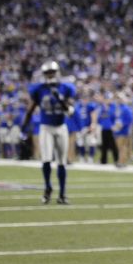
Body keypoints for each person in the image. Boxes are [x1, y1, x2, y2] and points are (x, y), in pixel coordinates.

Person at [22, 61, 76, 205]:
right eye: (48, 73)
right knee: (46, 159)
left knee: (62, 162)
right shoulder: (39, 89)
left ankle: (62, 194)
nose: (50, 75)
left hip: (61, 126)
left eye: (52, 72)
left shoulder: (66, 88)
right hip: (46, 127)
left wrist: (60, 99)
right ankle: (47, 188)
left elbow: (70, 111)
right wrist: (24, 127)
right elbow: (31, 109)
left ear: (57, 72)